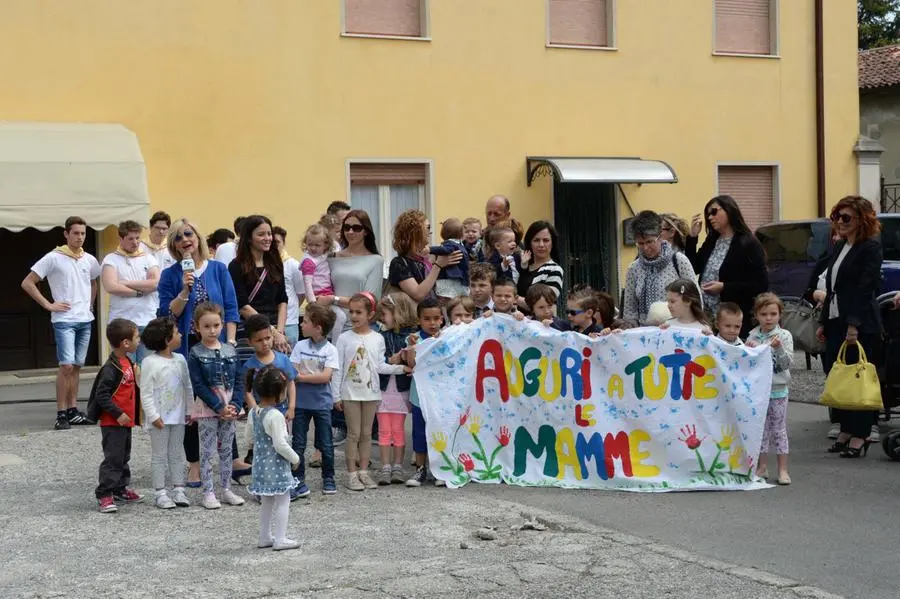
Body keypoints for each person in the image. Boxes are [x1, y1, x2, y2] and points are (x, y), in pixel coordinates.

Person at [156, 218, 241, 486]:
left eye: (188, 234)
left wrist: (230, 343)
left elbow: (230, 307)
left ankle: (232, 459)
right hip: (188, 347)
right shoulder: (170, 275)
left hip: (219, 346)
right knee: (195, 407)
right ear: (173, 246)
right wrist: (184, 289)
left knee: (224, 397)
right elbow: (166, 315)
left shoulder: (218, 269)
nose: (185, 240)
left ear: (198, 236)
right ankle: (194, 464)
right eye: (178, 238)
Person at [815, 195, 883, 458]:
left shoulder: (870, 248)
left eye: (846, 218)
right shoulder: (840, 246)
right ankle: (845, 428)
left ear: (861, 220)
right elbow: (831, 287)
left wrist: (853, 325)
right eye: (836, 217)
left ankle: (861, 434)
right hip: (835, 319)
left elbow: (866, 289)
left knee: (857, 378)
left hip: (859, 322)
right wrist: (823, 322)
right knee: (838, 373)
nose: (840, 222)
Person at [21, 216, 101, 430]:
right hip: (64, 320)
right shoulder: (53, 257)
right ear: (66, 234)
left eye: (83, 233)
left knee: (76, 367)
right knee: (65, 366)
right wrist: (48, 305)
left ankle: (73, 410)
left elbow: (93, 282)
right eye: (76, 233)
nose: (80, 237)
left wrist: (90, 305)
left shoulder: (89, 259)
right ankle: (61, 413)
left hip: (85, 319)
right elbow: (28, 283)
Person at [335, 293, 409, 491]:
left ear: (370, 314)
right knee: (354, 434)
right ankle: (351, 474)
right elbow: (339, 368)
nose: (354, 316)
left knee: (367, 434)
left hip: (371, 394)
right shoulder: (344, 338)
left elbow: (380, 366)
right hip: (350, 393)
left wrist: (402, 368)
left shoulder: (378, 339)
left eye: (359, 312)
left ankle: (364, 472)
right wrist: (336, 395)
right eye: (351, 311)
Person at [327, 209, 383, 446]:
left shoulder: (375, 260)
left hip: (362, 326)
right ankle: (338, 424)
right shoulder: (332, 257)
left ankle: (368, 429)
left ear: (366, 231)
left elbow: (370, 298)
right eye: (347, 227)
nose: (350, 232)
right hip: (335, 325)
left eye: (356, 228)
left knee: (364, 376)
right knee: (336, 375)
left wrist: (335, 300)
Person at [187, 302, 246, 510]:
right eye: (207, 326)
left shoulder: (231, 350)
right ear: (197, 327)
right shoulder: (195, 353)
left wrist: (236, 405)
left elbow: (239, 380)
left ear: (222, 325)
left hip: (230, 406)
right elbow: (199, 384)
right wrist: (218, 406)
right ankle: (208, 491)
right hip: (208, 407)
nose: (212, 330)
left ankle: (227, 488)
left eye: (216, 325)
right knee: (207, 450)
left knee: (227, 449)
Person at [687, 195, 768, 338]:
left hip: (732, 319)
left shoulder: (748, 243)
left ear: (729, 211)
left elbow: (761, 284)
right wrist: (692, 237)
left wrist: (724, 287)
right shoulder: (712, 240)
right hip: (706, 316)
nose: (710, 218)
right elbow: (693, 268)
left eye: (714, 212)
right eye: (708, 215)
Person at [86, 318, 143, 513]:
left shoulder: (127, 361)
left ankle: (120, 488)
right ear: (125, 343)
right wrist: (118, 414)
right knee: (113, 458)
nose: (139, 341)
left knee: (124, 455)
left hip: (125, 422)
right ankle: (104, 494)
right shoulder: (111, 368)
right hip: (113, 422)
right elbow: (101, 395)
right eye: (137, 337)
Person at [139, 316, 192, 509]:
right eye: (177, 333)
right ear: (167, 339)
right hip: (159, 419)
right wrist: (153, 416)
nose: (181, 335)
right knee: (159, 455)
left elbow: (187, 386)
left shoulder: (181, 360)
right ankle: (160, 492)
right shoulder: (149, 362)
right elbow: (145, 392)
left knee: (177, 453)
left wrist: (189, 410)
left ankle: (179, 489)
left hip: (178, 417)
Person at [245, 365, 301, 551]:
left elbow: (249, 438)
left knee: (267, 501)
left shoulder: (254, 412)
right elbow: (280, 444)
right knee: (283, 500)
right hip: (276, 466)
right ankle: (280, 538)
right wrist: (295, 458)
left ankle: (264, 536)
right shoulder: (276, 415)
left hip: (260, 465)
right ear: (279, 392)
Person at [290, 304, 340, 497]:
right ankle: (298, 478)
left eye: (305, 321)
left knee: (326, 442)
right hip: (301, 403)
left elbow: (325, 377)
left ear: (317, 327)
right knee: (298, 443)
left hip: (322, 404)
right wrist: (305, 376)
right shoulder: (300, 346)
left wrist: (302, 377)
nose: (302, 324)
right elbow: (292, 371)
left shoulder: (331, 350)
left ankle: (329, 477)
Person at [746, 293, 794, 485]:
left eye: (773, 314)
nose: (768, 318)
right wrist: (749, 349)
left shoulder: (784, 336)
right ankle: (762, 467)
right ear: (756, 315)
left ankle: (783, 469)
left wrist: (778, 348)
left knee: (779, 430)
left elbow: (785, 364)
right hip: (759, 390)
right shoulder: (752, 335)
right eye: (764, 314)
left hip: (778, 389)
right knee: (761, 430)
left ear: (779, 315)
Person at [229, 215, 289, 360]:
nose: (267, 238)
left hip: (275, 329)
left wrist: (279, 332)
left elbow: (282, 299)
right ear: (249, 238)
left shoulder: (275, 263)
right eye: (261, 234)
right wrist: (271, 331)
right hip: (250, 330)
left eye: (269, 234)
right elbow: (242, 305)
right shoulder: (236, 266)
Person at [101, 220, 161, 364]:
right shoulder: (111, 259)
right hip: (122, 323)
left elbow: (155, 283)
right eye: (130, 239)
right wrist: (139, 292)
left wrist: (124, 283)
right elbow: (111, 286)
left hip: (146, 321)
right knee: (125, 367)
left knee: (147, 367)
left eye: (137, 238)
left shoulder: (148, 258)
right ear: (121, 239)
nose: (135, 242)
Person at [622, 211, 696, 327]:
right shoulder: (633, 269)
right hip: (644, 337)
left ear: (660, 236)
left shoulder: (679, 261)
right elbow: (630, 312)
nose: (645, 248)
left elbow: (696, 301)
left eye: (650, 241)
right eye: (640, 243)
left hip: (675, 333)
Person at [375, 292, 418, 485]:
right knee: (384, 430)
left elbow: (415, 361)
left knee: (398, 429)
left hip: (401, 391)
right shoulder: (379, 337)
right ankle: (385, 467)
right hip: (383, 390)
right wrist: (389, 360)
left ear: (397, 312)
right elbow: (376, 360)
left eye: (384, 314)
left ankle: (398, 466)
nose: (382, 319)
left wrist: (406, 353)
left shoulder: (412, 337)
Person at [405, 297, 444, 487]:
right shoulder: (413, 339)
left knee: (439, 431)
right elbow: (411, 364)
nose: (432, 323)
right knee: (420, 432)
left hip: (441, 396)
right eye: (427, 319)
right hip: (419, 396)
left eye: (436, 318)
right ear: (419, 319)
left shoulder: (448, 337)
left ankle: (440, 469)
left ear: (442, 319)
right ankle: (420, 470)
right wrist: (413, 347)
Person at [389, 209, 461, 304]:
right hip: (414, 317)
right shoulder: (399, 263)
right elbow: (418, 294)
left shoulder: (428, 258)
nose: (430, 232)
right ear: (415, 233)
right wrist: (438, 266)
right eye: (427, 228)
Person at [240, 314, 297, 417]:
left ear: (272, 335)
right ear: (249, 342)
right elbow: (247, 391)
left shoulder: (283, 359)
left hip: (282, 411)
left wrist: (291, 408)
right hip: (261, 411)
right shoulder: (248, 366)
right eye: (259, 340)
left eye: (268, 338)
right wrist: (255, 412)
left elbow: (290, 382)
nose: (265, 343)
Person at [300, 223, 346, 342]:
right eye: (310, 244)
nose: (313, 248)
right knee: (340, 317)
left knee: (331, 321)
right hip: (319, 298)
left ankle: (329, 343)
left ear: (325, 245)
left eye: (317, 245)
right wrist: (313, 303)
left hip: (326, 295)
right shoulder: (308, 262)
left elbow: (333, 249)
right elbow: (307, 284)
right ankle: (334, 345)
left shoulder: (322, 256)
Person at [517, 221, 565, 307]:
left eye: (546, 240)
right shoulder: (523, 266)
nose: (541, 245)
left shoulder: (554, 270)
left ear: (552, 243)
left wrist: (513, 298)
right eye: (536, 240)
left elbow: (543, 305)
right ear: (530, 243)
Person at [273, 226, 304, 348]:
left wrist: (289, 309)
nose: (274, 246)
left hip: (289, 322)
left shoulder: (293, 265)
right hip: (268, 321)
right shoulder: (261, 264)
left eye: (277, 242)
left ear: (284, 243)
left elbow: (301, 294)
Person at [429, 217, 469, 300]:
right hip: (454, 279)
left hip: (453, 278)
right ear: (461, 234)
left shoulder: (453, 244)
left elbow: (445, 250)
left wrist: (430, 250)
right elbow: (446, 250)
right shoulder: (455, 244)